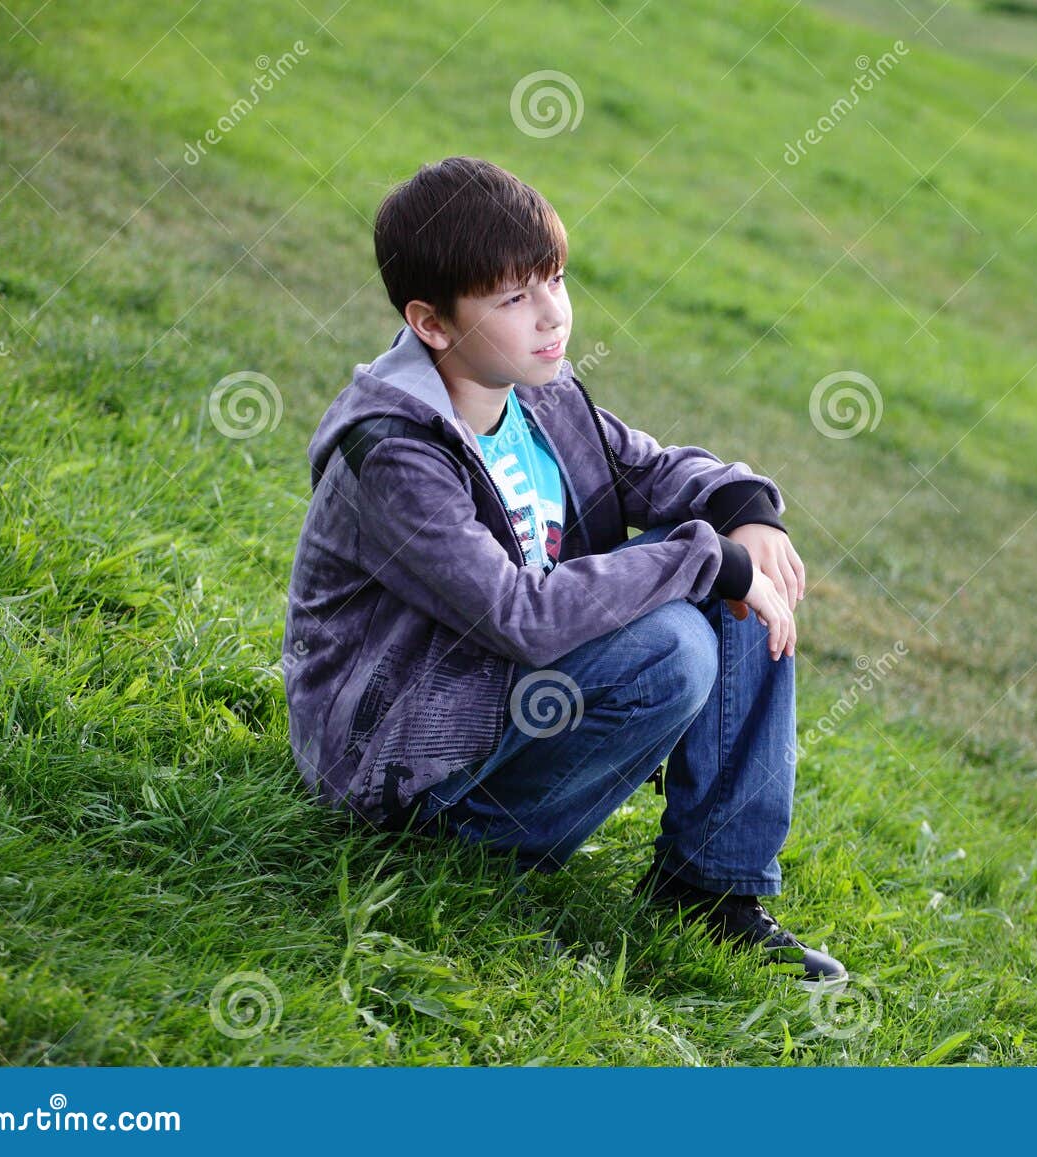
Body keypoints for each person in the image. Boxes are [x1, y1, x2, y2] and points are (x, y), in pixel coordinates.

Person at [281, 155, 845, 983]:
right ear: (432, 324)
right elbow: (517, 614)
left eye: (554, 280)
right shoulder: (394, 450)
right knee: (678, 637)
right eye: (514, 298)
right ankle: (468, 849)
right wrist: (705, 557)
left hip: (492, 693)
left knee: (734, 587)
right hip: (400, 758)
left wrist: (745, 512)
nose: (552, 315)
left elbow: (649, 470)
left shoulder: (534, 388)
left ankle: (709, 886)